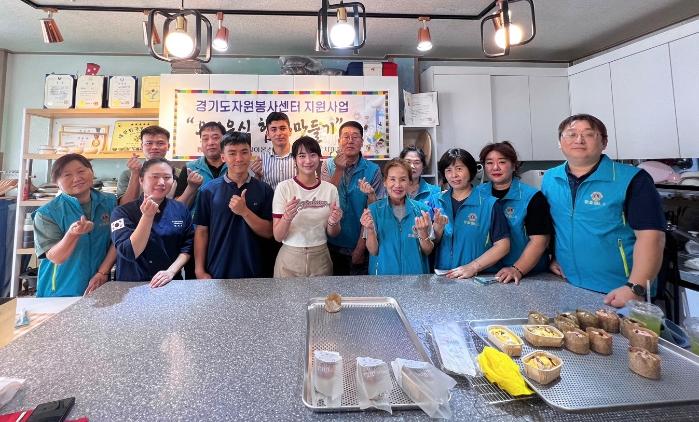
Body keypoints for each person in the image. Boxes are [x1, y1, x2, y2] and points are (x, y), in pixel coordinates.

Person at [541, 114, 666, 307]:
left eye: (589, 134)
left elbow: (652, 237)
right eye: (571, 134)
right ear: (560, 142)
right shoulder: (550, 178)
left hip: (620, 291)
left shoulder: (632, 179)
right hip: (567, 283)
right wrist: (553, 258)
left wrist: (635, 287)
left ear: (604, 142)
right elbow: (556, 225)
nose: (579, 140)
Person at [193, 131, 274, 279]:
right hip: (218, 270)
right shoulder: (208, 190)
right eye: (232, 153)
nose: (239, 158)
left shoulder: (264, 190)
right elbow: (201, 231)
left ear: (251, 154)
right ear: (223, 157)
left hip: (257, 272)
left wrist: (244, 212)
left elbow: (270, 231)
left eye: (244, 152)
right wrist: (199, 269)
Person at [33, 154, 116, 296]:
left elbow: (117, 241)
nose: (77, 178)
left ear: (92, 172)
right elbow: (55, 257)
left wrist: (103, 272)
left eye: (81, 171)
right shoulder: (47, 213)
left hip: (99, 286)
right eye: (67, 175)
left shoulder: (109, 202)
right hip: (59, 291)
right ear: (56, 182)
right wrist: (72, 235)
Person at [110, 159, 194, 287]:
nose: (161, 182)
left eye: (167, 177)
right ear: (141, 180)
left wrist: (170, 272)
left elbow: (187, 248)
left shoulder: (180, 209)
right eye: (155, 177)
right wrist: (147, 216)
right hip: (130, 286)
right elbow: (129, 252)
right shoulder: (122, 212)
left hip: (170, 284)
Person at [477, 141, 552, 284]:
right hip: (486, 273)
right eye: (489, 162)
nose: (495, 167)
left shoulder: (532, 197)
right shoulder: (477, 194)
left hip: (527, 275)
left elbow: (540, 241)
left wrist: (517, 268)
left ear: (513, 165)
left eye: (502, 162)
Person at [431, 148, 510, 279]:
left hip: (478, 278)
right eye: (448, 170)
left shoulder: (489, 204)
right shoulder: (436, 202)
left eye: (459, 169)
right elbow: (431, 244)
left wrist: (473, 267)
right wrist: (437, 230)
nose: (454, 175)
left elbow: (503, 246)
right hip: (443, 277)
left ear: (470, 170)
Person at [321, 121, 385, 275]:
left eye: (355, 137)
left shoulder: (373, 170)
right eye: (346, 136)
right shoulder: (327, 165)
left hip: (360, 243)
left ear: (362, 142)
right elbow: (324, 199)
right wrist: (339, 169)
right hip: (330, 243)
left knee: (360, 294)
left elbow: (373, 211)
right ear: (339, 141)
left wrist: (360, 247)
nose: (350, 140)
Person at [272, 136, 342, 277]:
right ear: (295, 160)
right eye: (302, 156)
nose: (308, 161)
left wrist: (333, 222)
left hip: (321, 257)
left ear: (319, 158)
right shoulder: (284, 187)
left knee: (321, 299)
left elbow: (333, 233)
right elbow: (278, 236)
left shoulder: (330, 189)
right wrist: (286, 217)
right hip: (289, 259)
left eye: (313, 155)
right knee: (287, 299)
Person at [361, 158, 433, 275]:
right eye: (392, 179)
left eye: (403, 179)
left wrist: (423, 232)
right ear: (385, 182)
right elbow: (373, 251)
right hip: (383, 279)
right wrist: (370, 230)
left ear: (410, 182)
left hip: (415, 279)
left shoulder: (422, 211)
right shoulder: (373, 210)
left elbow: (428, 250)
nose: (397, 185)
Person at [116, 125, 189, 205]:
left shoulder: (179, 173)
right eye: (149, 143)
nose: (154, 147)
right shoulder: (127, 174)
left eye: (160, 143)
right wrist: (135, 174)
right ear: (141, 146)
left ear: (168, 146)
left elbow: (182, 206)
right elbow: (124, 206)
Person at [174, 121, 227, 208]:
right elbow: (177, 208)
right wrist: (191, 188)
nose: (210, 143)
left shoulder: (234, 166)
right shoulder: (189, 168)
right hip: (196, 221)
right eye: (205, 139)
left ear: (224, 141)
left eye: (215, 138)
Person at [251, 112, 296, 190]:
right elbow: (257, 190)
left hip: (297, 201)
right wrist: (257, 175)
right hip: (270, 202)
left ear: (290, 131)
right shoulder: (261, 160)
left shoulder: (300, 156)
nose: (278, 133)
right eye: (273, 129)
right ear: (268, 134)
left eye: (282, 128)